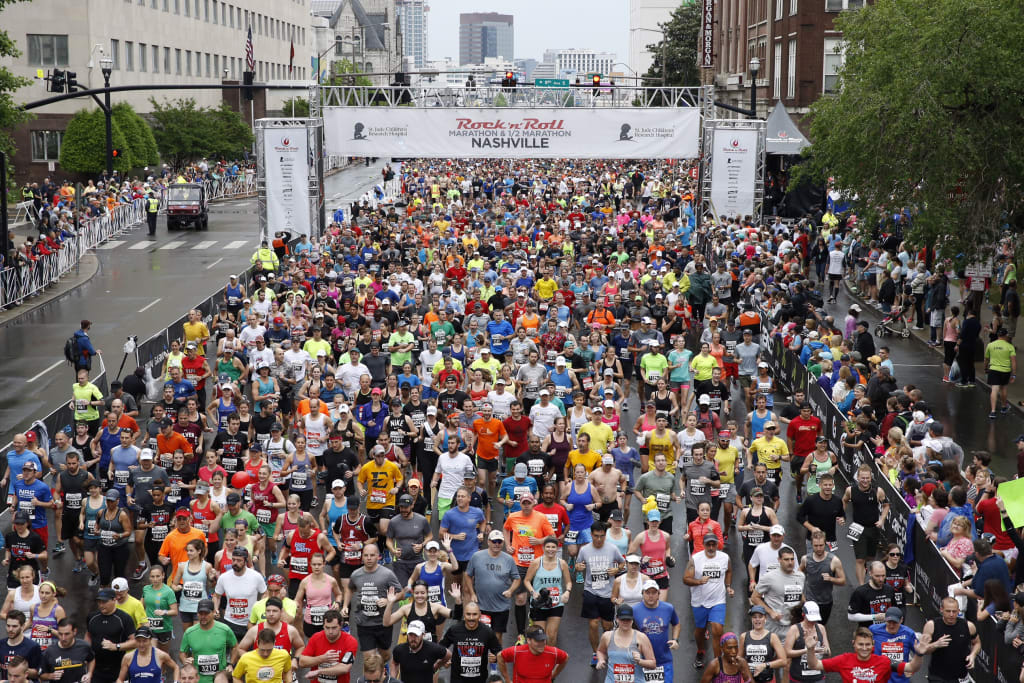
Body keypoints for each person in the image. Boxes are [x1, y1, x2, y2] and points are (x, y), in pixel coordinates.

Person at [576, 521, 626, 666]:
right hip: (590, 590)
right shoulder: (584, 550)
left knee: (607, 626)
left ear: (605, 536)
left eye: (602, 536)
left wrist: (617, 569)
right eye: (596, 536)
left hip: (607, 592)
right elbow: (579, 566)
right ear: (591, 535)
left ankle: (606, 649)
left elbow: (623, 563)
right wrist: (579, 567)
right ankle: (596, 653)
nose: (599, 539)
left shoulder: (612, 548)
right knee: (593, 624)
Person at [341, 544, 402, 662]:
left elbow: (401, 593)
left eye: (372, 555)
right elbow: (350, 589)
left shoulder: (387, 574)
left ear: (378, 557)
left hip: (383, 623)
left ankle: (385, 667)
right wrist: (345, 606)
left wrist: (388, 600)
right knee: (369, 658)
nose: (369, 558)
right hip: (363, 622)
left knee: (385, 655)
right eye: (366, 555)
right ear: (362, 557)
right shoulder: (356, 574)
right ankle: (373, 679)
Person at [802, 627, 924, 683]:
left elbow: (912, 667)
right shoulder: (844, 660)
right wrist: (810, 649)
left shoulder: (884, 661)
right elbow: (815, 665)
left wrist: (918, 654)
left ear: (873, 645)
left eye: (867, 644)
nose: (864, 648)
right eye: (861, 644)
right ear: (853, 644)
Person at [683, 533, 733, 667]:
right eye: (708, 544)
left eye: (714, 544)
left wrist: (728, 586)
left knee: (717, 630)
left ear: (717, 544)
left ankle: (718, 664)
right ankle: (700, 651)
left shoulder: (724, 557)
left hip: (718, 600)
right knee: (700, 631)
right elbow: (685, 579)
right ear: (703, 545)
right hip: (699, 601)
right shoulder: (695, 559)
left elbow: (728, 571)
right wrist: (699, 581)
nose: (711, 547)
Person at [464, 530, 520, 644]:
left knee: (497, 636)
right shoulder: (477, 556)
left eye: (499, 541)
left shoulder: (508, 559)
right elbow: (468, 575)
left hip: (501, 606)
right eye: (494, 541)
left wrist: (511, 590)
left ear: (503, 543)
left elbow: (517, 579)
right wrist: (472, 593)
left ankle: (495, 659)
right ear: (488, 542)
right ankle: (481, 659)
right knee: (481, 635)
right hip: (482, 605)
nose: (497, 544)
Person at [841, 464, 889, 585]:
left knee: (870, 558)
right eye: (863, 478)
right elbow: (844, 500)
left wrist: (882, 519)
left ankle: (866, 568)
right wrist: (842, 515)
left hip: (873, 528)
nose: (865, 481)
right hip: (858, 528)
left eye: (867, 478)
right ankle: (862, 587)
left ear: (870, 477)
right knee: (860, 559)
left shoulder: (877, 491)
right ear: (858, 477)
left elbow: (886, 505)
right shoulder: (850, 491)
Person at [919, 597, 981, 683]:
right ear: (941, 610)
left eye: (954, 611)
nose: (951, 614)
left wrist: (973, 655)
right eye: (948, 611)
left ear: (958, 611)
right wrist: (936, 644)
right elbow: (923, 650)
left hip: (960, 677)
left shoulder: (968, 626)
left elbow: (977, 643)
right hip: (937, 676)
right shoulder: (932, 625)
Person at [440, 600, 503, 683]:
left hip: (480, 679)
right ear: (464, 615)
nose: (471, 618)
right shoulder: (455, 630)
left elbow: (498, 651)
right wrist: (444, 659)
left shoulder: (487, 632)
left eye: (474, 614)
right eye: (468, 614)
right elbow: (441, 647)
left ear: (480, 615)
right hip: (458, 679)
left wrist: (495, 658)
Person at [213, 547, 268, 642]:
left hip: (251, 622)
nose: (235, 563)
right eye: (233, 560)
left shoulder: (256, 576)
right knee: (232, 653)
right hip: (230, 621)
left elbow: (265, 594)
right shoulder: (224, 577)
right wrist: (216, 609)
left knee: (249, 653)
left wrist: (259, 609)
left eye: (239, 560)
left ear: (246, 561)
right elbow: (216, 596)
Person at [631, 579, 680, 683]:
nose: (651, 596)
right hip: (642, 661)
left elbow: (676, 624)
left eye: (654, 593)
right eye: (647, 593)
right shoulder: (634, 610)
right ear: (642, 594)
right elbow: (627, 630)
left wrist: (675, 640)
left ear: (658, 594)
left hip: (664, 661)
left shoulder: (668, 608)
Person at [178, 599, 238, 683]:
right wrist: (184, 660)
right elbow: (182, 653)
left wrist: (231, 664)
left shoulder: (224, 630)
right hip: (198, 679)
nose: (203, 616)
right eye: (200, 613)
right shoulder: (189, 632)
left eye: (206, 613)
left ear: (213, 612)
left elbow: (235, 647)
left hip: (219, 679)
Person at [85, 589, 138, 683]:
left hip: (118, 667)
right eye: (99, 602)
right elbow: (88, 635)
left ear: (114, 600)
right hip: (96, 668)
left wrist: (115, 646)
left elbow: (135, 642)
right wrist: (86, 651)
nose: (101, 605)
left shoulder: (124, 618)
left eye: (105, 602)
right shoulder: (92, 617)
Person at [751, 546, 804, 636]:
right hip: (774, 626)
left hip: (793, 626)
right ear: (779, 560)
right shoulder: (769, 577)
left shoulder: (800, 577)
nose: (790, 563)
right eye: (786, 559)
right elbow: (754, 598)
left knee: (791, 650)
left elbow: (801, 595)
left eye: (792, 559)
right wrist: (771, 612)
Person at [298, 609, 359, 683]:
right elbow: (302, 662)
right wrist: (322, 658)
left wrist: (319, 672)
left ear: (340, 625)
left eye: (334, 628)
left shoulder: (350, 641)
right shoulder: (316, 638)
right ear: (323, 626)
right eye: (327, 627)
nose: (330, 632)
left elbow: (344, 668)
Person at [800, 530, 846, 624]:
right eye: (816, 546)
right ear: (811, 545)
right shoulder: (805, 559)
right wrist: (802, 596)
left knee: (820, 627)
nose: (818, 548)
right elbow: (797, 576)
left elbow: (843, 581)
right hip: (809, 601)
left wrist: (831, 579)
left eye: (821, 545)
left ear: (825, 544)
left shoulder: (834, 560)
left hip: (825, 602)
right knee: (807, 627)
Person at [499, 625, 570, 683]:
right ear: (529, 640)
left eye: (543, 640)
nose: (541, 643)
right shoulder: (517, 652)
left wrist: (554, 675)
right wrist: (507, 680)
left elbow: (565, 658)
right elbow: (500, 656)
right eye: (538, 641)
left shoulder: (553, 652)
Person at [869, 607, 920, 683]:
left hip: (900, 680)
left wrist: (912, 669)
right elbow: (864, 649)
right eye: (889, 622)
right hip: (879, 678)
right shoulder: (873, 630)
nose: (891, 626)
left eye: (895, 623)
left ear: (901, 620)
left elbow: (919, 653)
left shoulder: (909, 633)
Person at [784, 602, 829, 683]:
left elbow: (828, 651)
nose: (813, 622)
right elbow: (787, 652)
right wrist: (808, 650)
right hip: (798, 677)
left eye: (815, 619)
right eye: (810, 619)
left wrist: (824, 650)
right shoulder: (794, 629)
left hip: (818, 676)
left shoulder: (821, 628)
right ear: (803, 615)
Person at [113, 626, 178, 683]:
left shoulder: (160, 655)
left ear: (150, 640)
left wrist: (176, 682)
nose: (141, 644)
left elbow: (176, 667)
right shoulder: (128, 657)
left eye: (144, 641)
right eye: (138, 641)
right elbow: (120, 679)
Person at [740, 605, 787, 683]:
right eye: (754, 617)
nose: (757, 620)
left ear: (765, 618)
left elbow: (783, 661)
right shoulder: (744, 636)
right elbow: (739, 659)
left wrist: (765, 665)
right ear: (751, 619)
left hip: (767, 679)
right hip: (749, 679)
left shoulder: (772, 637)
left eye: (760, 617)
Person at [40, 619, 94, 683]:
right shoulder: (49, 651)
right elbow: (41, 675)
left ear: (74, 632)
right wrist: (50, 676)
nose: (63, 638)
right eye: (60, 634)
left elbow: (91, 659)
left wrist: (89, 674)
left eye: (67, 634)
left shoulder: (84, 646)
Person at [984, 326, 1016, 418]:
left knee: (994, 389)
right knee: (1003, 389)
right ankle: (1003, 407)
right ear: (1006, 336)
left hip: (994, 369)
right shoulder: (1010, 347)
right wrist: (1013, 375)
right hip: (1005, 370)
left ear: (998, 335)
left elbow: (986, 359)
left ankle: (993, 411)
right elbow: (1013, 362)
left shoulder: (991, 345)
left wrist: (985, 368)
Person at [0, 613, 42, 680]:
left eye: (14, 626)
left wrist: (20, 670)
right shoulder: (1, 644)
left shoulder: (33, 646)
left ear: (22, 626)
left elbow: (38, 673)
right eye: (8, 626)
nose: (10, 629)